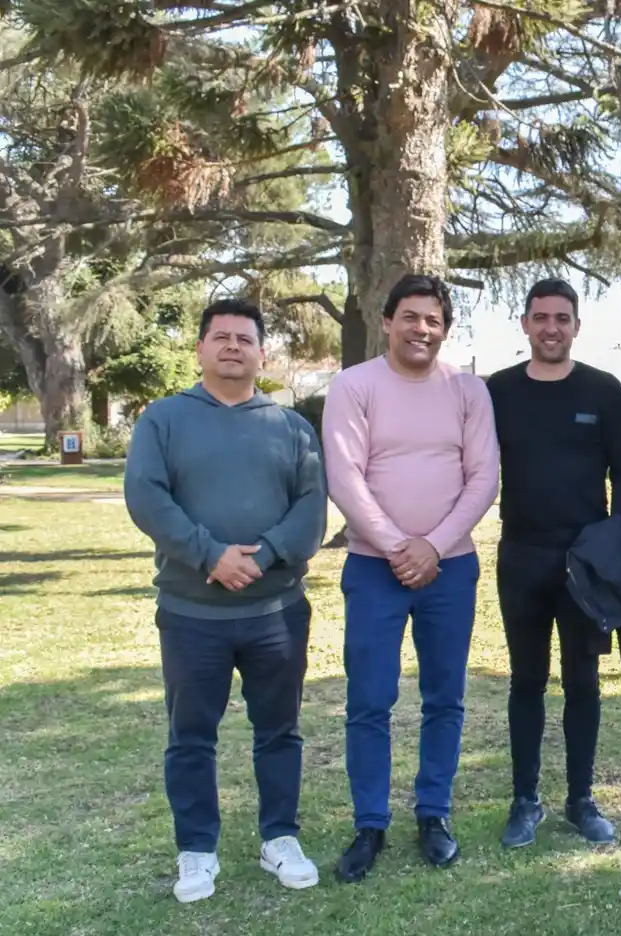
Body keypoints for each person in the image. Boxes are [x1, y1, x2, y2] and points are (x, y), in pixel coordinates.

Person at [124, 298, 326, 903]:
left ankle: (279, 838)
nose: (233, 346)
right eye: (221, 337)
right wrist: (210, 554)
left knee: (280, 730)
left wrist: (262, 556)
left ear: (262, 353)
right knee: (191, 736)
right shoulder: (163, 419)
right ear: (201, 349)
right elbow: (147, 496)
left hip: (276, 614)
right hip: (192, 615)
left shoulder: (291, 426)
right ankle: (196, 850)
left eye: (245, 338)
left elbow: (312, 507)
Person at [322, 274, 499, 880]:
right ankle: (370, 824)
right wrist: (400, 546)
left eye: (434, 321)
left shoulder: (468, 390)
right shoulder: (354, 386)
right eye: (412, 317)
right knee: (370, 699)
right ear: (387, 320)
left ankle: (434, 813)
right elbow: (345, 476)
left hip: (451, 569)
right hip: (375, 569)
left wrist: (435, 546)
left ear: (444, 330)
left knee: (444, 699)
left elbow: (483, 480)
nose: (422, 329)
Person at [486, 278, 621, 849]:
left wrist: (610, 534)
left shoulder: (602, 391)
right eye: (541, 317)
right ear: (525, 324)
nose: (551, 327)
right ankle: (525, 800)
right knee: (526, 680)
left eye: (562, 318)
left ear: (577, 326)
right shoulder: (497, 390)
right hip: (521, 554)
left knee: (583, 682)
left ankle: (581, 799)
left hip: (585, 563)